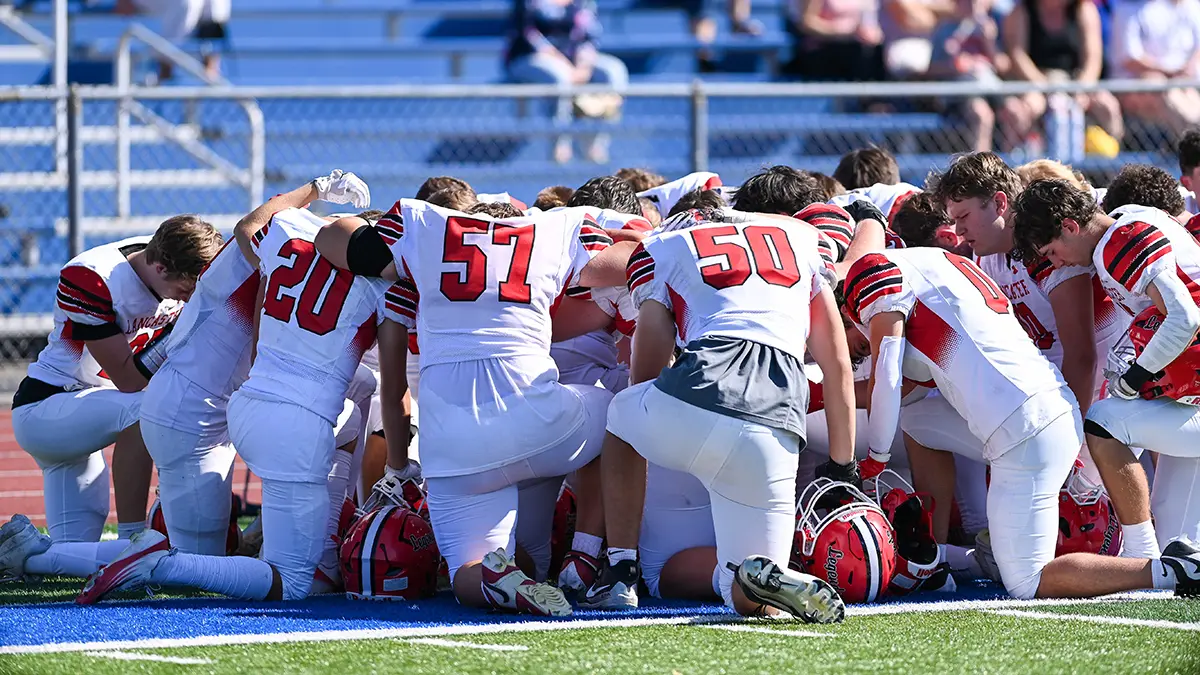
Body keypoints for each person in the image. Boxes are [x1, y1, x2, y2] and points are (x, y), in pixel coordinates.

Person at [77, 172, 410, 604]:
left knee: (352, 407)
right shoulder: (385, 287)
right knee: (283, 582)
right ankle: (162, 561)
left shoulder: (288, 245)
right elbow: (396, 388)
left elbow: (248, 230)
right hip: (235, 415)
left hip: (244, 408)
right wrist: (400, 468)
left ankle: (321, 547)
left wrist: (316, 188)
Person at [314, 199, 636, 616]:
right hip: (536, 418)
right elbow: (633, 259)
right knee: (621, 409)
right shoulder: (552, 231)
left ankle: (495, 579)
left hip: (451, 441)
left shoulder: (422, 228)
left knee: (467, 568)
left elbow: (331, 237)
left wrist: (387, 260)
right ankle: (590, 556)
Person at [843, 247, 1200, 599]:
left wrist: (875, 457)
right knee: (918, 421)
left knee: (1027, 581)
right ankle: (938, 558)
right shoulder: (940, 263)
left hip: (1023, 430)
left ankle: (1170, 570)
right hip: (1043, 408)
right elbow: (914, 390)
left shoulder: (870, 271)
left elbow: (887, 372)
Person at [580, 210, 854, 622]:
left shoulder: (665, 247)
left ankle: (621, 569)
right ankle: (767, 578)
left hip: (702, 388)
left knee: (621, 413)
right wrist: (843, 467)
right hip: (777, 421)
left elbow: (646, 375)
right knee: (747, 598)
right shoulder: (801, 242)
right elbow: (838, 368)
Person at [1011, 179, 1200, 561]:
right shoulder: (1129, 219)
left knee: (1102, 422)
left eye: (1052, 251)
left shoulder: (1119, 243)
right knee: (1177, 545)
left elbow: (1185, 317)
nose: (1057, 262)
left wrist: (1137, 376)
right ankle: (1154, 563)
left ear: (1070, 225)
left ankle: (1136, 554)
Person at [10, 215, 219, 547]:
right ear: (162, 268)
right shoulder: (93, 277)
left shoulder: (166, 256)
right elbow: (127, 379)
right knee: (145, 410)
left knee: (72, 555)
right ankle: (134, 538)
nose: (188, 299)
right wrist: (182, 332)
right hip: (48, 407)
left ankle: (20, 550)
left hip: (87, 416)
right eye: (185, 290)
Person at [505, 0, 629, 163]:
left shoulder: (583, 3)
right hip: (530, 58)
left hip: (575, 60)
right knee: (559, 77)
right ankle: (560, 144)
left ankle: (594, 142)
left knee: (614, 71)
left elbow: (588, 36)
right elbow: (528, 34)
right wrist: (566, 66)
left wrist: (583, 66)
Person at [999, 0, 1122, 151]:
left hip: (1075, 82)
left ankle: (1113, 168)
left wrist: (1081, 89)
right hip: (1037, 83)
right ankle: (1022, 167)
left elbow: (1092, 59)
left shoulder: (1084, 10)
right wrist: (1046, 87)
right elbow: (1018, 56)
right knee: (1028, 109)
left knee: (1108, 106)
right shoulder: (1021, 11)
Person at [1109, 0, 1200, 138]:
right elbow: (1129, 59)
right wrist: (1169, 72)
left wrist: (1185, 70)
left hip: (1182, 83)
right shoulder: (1127, 8)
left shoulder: (1181, 5)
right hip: (1135, 85)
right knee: (1160, 87)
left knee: (1188, 100)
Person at [786, 0, 885, 82]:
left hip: (858, 47)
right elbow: (807, 23)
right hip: (824, 48)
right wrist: (841, 33)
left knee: (875, 51)